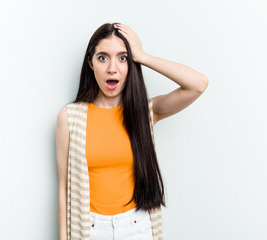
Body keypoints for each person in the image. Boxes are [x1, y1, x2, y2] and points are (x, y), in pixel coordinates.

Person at [56, 22, 208, 240]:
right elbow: (64, 187)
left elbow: (198, 84)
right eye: (102, 57)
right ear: (90, 63)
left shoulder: (146, 112)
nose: (112, 68)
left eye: (122, 57)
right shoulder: (69, 118)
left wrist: (143, 56)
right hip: (90, 229)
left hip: (137, 227)